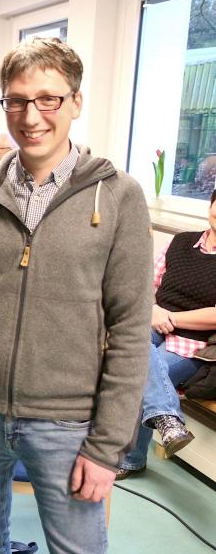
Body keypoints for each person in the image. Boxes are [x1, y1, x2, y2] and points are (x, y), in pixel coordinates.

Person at [0, 37, 152, 554]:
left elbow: (132, 329)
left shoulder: (116, 196)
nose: (31, 115)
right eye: (17, 100)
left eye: (48, 99)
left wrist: (108, 444)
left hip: (67, 421)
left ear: (75, 103)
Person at [116, 188, 216, 480]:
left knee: (136, 370)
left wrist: (168, 316)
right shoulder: (181, 241)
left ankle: (134, 458)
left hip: (193, 343)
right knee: (128, 346)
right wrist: (153, 309)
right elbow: (146, 282)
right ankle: (168, 420)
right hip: (154, 321)